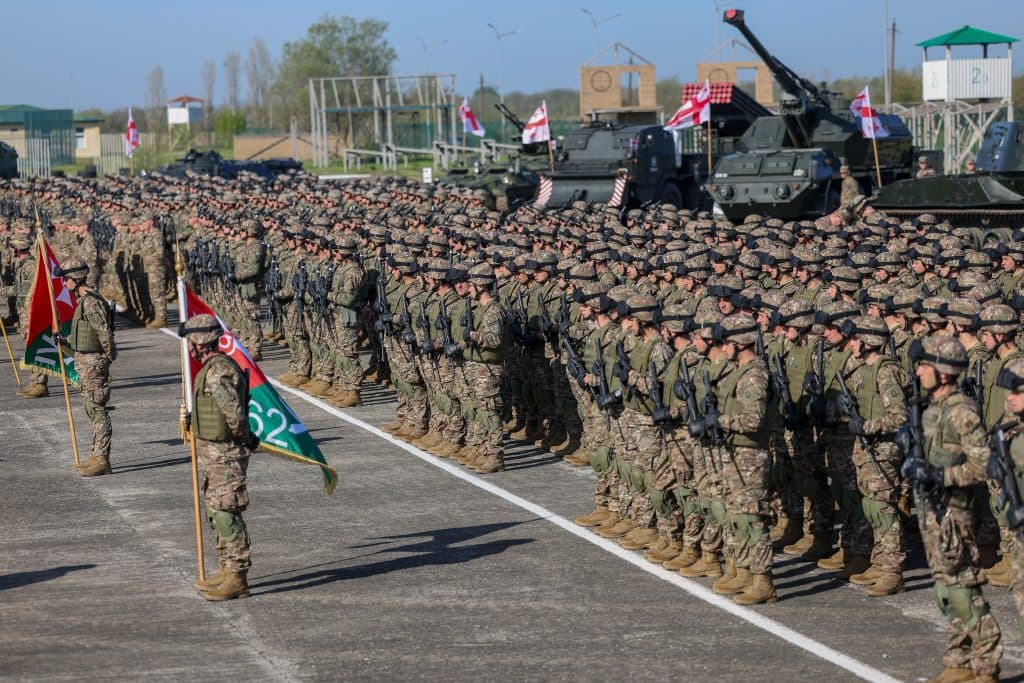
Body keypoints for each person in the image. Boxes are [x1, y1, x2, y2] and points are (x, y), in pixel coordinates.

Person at [902, 336, 1002, 683]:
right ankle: (959, 659)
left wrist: (939, 474)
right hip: (931, 510)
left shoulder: (961, 411)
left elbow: (985, 465)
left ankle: (986, 664)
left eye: (924, 366)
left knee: (963, 588)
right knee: (945, 589)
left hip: (953, 512)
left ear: (943, 372)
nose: (918, 372)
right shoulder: (931, 409)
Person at [182, 313, 259, 601]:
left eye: (191, 340)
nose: (188, 346)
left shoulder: (218, 372)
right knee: (216, 510)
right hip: (214, 454)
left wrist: (245, 440)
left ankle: (238, 575)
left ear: (200, 342)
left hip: (225, 453)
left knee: (226, 511)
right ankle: (226, 567)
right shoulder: (212, 369)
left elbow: (235, 416)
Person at [59, 259, 116, 477]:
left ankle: (102, 459)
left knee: (98, 409)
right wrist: (64, 341)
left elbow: (103, 332)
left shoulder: (91, 302)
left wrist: (106, 359)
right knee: (91, 409)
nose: (64, 283)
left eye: (66, 279)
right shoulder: (83, 300)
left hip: (93, 363)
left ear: (77, 277)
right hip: (85, 360)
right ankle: (95, 454)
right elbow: (86, 333)